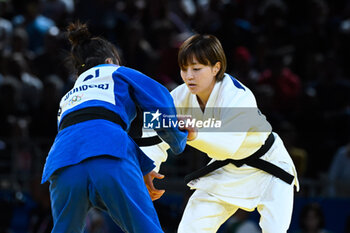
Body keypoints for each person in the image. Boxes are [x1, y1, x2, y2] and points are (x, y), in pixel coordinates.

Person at [41, 21, 192, 233]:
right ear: (111, 60)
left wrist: (144, 167)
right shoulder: (116, 72)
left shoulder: (68, 97)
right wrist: (178, 139)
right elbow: (161, 102)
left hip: (62, 164)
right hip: (109, 155)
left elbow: (89, 132)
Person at [141, 34, 299, 233]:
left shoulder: (239, 96)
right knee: (191, 226)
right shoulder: (179, 96)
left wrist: (194, 134)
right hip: (227, 168)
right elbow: (153, 127)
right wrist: (148, 164)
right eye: (184, 68)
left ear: (216, 68)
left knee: (275, 229)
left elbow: (228, 145)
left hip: (269, 165)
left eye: (196, 69)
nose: (189, 76)